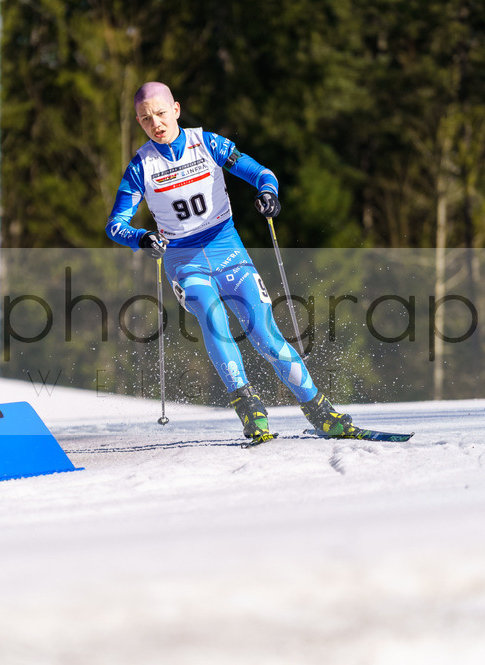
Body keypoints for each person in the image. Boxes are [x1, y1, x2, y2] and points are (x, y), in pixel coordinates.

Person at [104, 81, 355, 442]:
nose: (155, 123)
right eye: (145, 119)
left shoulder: (206, 143)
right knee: (211, 314)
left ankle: (321, 411)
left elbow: (262, 173)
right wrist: (141, 238)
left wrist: (268, 193)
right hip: (184, 260)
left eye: (160, 113)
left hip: (228, 250)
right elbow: (115, 225)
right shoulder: (141, 166)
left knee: (264, 334)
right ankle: (250, 408)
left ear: (176, 109)